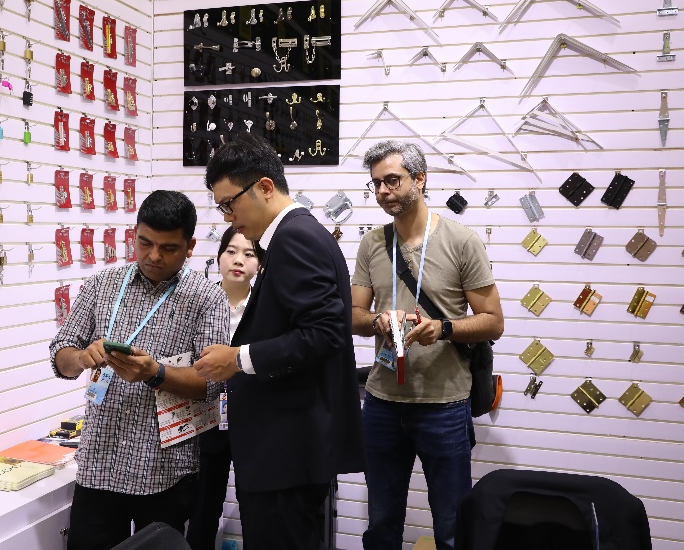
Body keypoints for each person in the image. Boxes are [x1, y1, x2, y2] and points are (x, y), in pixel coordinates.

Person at [194, 133, 365, 550]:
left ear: (265, 187)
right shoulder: (296, 234)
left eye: (230, 204)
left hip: (287, 451)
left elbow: (325, 333)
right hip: (289, 450)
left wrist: (239, 358)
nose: (228, 218)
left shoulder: (293, 237)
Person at [48, 190, 230, 550]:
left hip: (165, 470)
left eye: (168, 248)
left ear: (190, 247)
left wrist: (154, 373)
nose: (154, 256)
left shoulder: (207, 298)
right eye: (145, 243)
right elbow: (60, 356)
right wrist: (82, 357)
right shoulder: (101, 285)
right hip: (100, 463)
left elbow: (210, 384)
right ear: (134, 234)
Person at [350, 140, 504, 550]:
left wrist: (444, 328)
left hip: (444, 405)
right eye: (376, 184)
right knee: (381, 523)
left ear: (419, 179)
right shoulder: (372, 244)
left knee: (452, 526)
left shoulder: (461, 240)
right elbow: (352, 315)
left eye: (392, 180)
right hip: (382, 403)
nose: (383, 191)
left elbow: (493, 321)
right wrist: (377, 321)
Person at [187, 227, 263, 550]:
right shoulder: (200, 303)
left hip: (253, 420)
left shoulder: (265, 307)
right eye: (231, 251)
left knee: (256, 512)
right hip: (206, 417)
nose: (238, 260)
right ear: (218, 257)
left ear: (260, 263)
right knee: (202, 509)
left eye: (249, 254)